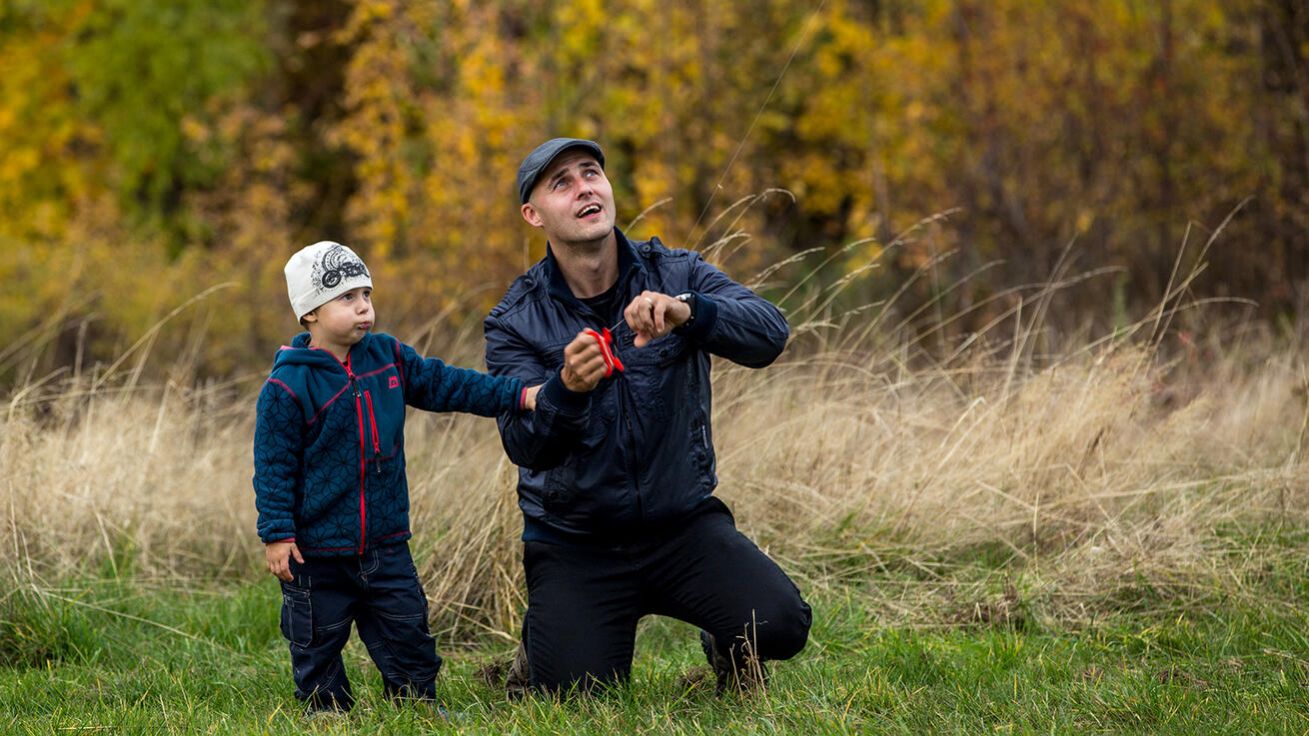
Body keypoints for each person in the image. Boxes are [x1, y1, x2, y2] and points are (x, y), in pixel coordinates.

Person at [484, 138, 812, 696]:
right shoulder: (514, 320)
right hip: (576, 543)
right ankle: (543, 645)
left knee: (781, 624)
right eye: (561, 183)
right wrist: (566, 389)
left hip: (683, 525)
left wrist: (690, 313)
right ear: (533, 214)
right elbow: (525, 445)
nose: (584, 187)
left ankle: (726, 644)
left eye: (591, 173)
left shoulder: (675, 271)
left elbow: (770, 334)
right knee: (575, 696)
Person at [253, 240, 540, 714]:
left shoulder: (387, 357)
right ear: (310, 313)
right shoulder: (288, 385)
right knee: (315, 637)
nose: (364, 307)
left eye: (366, 294)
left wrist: (519, 396)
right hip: (316, 550)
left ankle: (415, 700)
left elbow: (448, 384)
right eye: (347, 298)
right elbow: (274, 466)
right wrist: (277, 534)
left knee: (406, 626)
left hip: (385, 540)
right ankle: (326, 709)